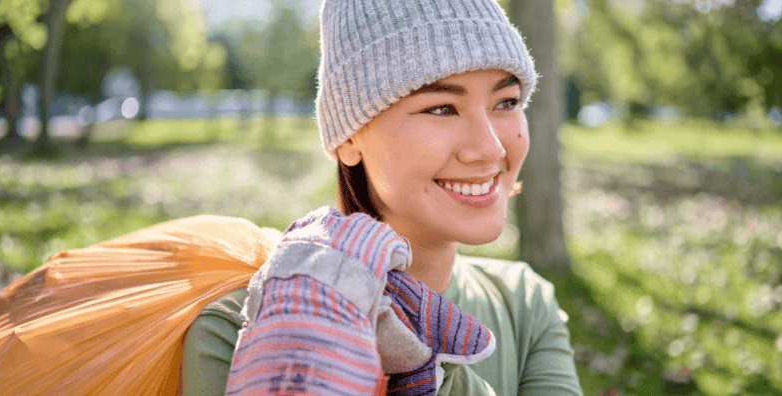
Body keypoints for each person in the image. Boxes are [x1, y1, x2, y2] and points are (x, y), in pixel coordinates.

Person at [180, 0, 583, 395]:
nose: (491, 148)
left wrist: (428, 371)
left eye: (507, 103)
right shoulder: (241, 327)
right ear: (350, 138)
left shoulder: (525, 303)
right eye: (442, 108)